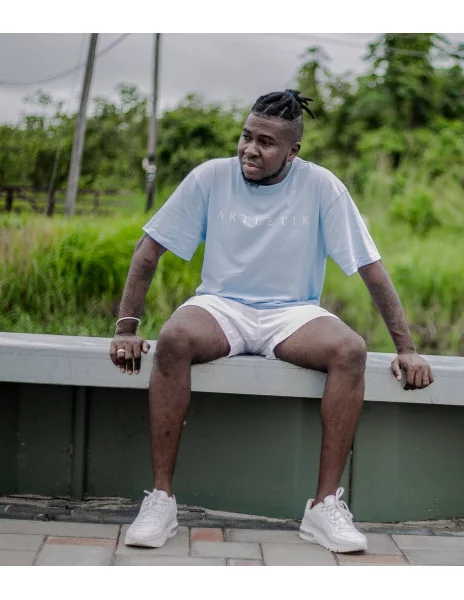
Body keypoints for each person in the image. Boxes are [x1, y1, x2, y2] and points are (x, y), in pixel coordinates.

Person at [108, 89, 434, 553]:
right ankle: (161, 500)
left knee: (350, 350)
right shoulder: (210, 177)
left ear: (292, 151)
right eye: (246, 136)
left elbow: (370, 268)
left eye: (266, 142)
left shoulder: (321, 186)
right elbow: (148, 251)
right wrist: (125, 329)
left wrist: (406, 348)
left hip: (292, 313)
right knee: (175, 337)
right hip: (221, 305)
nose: (250, 149)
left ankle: (323, 507)